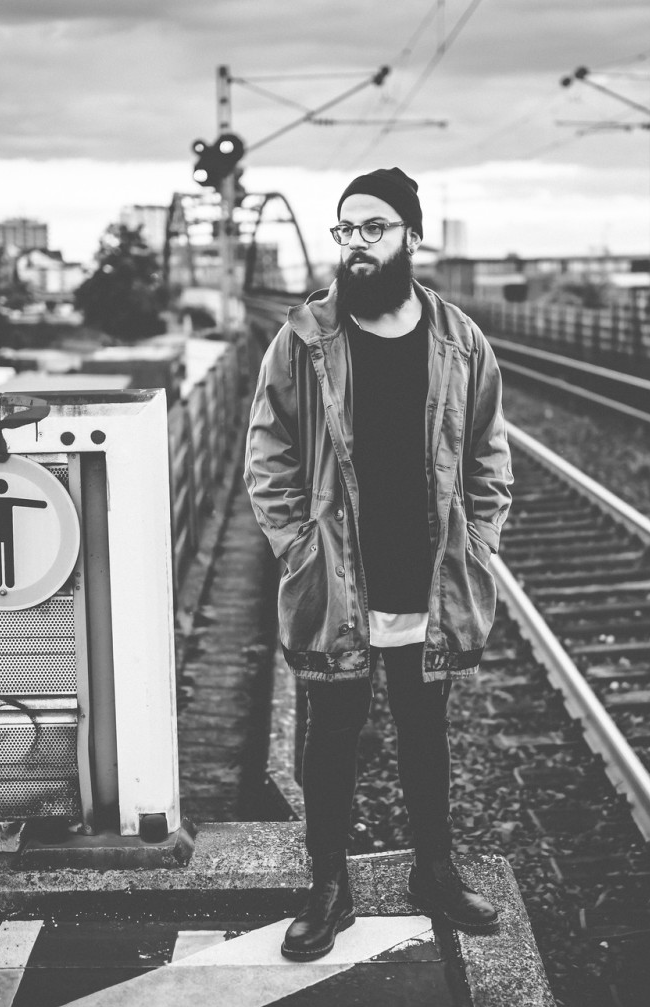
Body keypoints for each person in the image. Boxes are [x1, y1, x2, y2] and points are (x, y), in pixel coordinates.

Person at [245, 166, 513, 961]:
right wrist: (299, 546)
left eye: (374, 228)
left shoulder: (460, 338)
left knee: (426, 731)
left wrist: (482, 542)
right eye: (346, 230)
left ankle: (435, 870)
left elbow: (489, 450)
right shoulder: (303, 339)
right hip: (340, 582)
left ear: (410, 236)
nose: (357, 244)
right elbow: (269, 454)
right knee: (333, 735)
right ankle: (329, 886)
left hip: (427, 578)